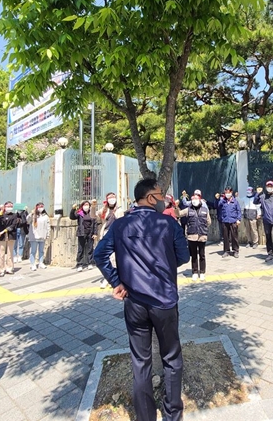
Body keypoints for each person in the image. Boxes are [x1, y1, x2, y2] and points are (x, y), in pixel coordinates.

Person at [94, 178, 190, 421]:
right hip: (165, 300)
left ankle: (145, 417)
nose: (164, 199)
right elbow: (184, 256)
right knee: (171, 358)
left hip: (134, 302)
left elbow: (100, 255)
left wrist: (117, 281)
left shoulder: (120, 225)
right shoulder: (168, 223)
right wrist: (165, 267)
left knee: (140, 361)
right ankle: (172, 415)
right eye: (160, 195)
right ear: (149, 198)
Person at [178, 192, 211, 280]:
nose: (194, 200)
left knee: (202, 255)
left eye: (196, 199)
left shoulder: (205, 209)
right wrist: (175, 206)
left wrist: (202, 228)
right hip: (192, 236)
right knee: (194, 255)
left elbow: (209, 222)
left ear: (200, 199)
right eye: (193, 199)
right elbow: (178, 214)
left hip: (202, 236)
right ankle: (195, 272)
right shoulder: (188, 209)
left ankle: (202, 272)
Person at [97, 192, 125, 287]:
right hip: (105, 233)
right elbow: (94, 215)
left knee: (114, 257)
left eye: (113, 197)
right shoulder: (104, 210)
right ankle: (108, 277)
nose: (112, 199)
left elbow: (122, 222)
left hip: (116, 235)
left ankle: (113, 278)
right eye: (110, 198)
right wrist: (93, 206)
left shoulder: (119, 210)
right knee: (104, 256)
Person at [70, 200, 98, 271]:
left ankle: (90, 263)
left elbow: (95, 223)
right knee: (81, 249)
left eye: (87, 205)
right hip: (82, 233)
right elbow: (72, 217)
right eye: (85, 205)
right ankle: (79, 264)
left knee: (90, 249)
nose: (86, 206)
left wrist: (95, 233)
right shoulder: (80, 213)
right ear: (82, 206)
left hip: (90, 233)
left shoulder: (92, 213)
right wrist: (73, 209)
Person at [217, 186, 241, 257]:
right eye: (226, 192)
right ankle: (226, 251)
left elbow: (238, 211)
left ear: (231, 192)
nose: (227, 194)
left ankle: (235, 250)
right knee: (226, 237)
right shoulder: (223, 201)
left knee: (234, 237)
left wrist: (238, 219)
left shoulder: (235, 201)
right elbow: (218, 206)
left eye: (228, 192)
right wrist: (221, 199)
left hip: (233, 221)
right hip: (225, 221)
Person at [0, 202, 18, 277]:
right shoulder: (2, 215)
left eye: (11, 206)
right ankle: (0, 269)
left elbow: (13, 225)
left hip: (10, 235)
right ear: (4, 207)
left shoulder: (14, 215)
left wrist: (3, 231)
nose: (9, 207)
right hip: (2, 236)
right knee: (1, 253)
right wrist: (1, 211)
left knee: (10, 253)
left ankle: (9, 268)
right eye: (8, 206)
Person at [26, 202, 50, 272]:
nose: (41, 208)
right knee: (33, 251)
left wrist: (47, 234)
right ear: (36, 207)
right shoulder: (33, 215)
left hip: (42, 236)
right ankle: (33, 264)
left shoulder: (45, 216)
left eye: (42, 206)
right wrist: (31, 214)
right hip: (34, 236)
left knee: (41, 251)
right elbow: (27, 221)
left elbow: (48, 226)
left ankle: (41, 263)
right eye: (39, 206)